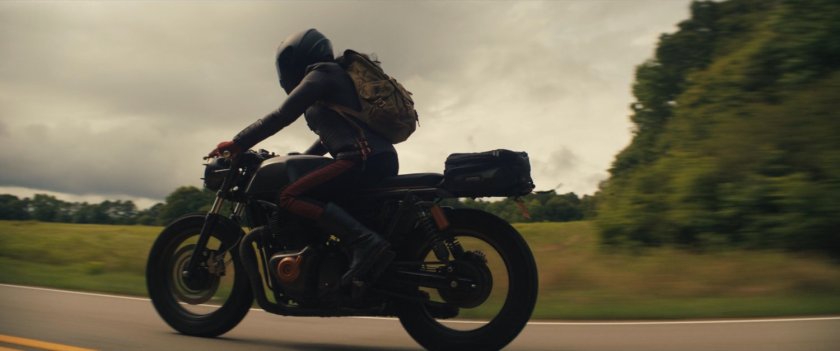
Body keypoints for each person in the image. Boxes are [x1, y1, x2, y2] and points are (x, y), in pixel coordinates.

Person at [209, 28, 397, 288]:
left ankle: (365, 242)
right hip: (376, 159)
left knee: (287, 196)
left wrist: (238, 143)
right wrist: (301, 159)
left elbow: (282, 115)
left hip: (357, 161)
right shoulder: (337, 79)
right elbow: (331, 137)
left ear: (294, 60)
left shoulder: (322, 73)